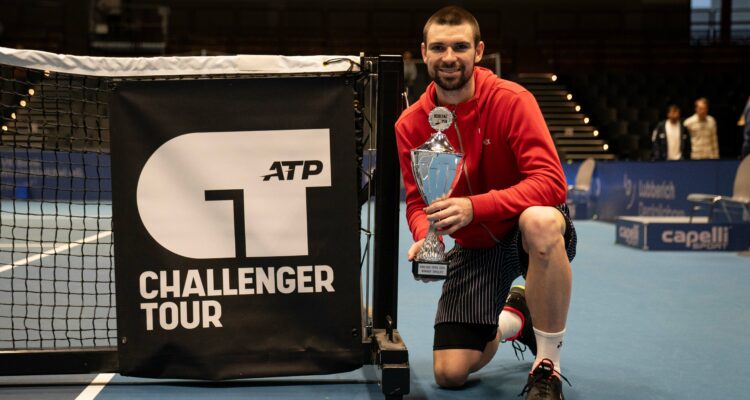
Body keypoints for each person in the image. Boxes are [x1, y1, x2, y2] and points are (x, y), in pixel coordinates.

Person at [394, 6, 576, 399]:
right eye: (439, 47)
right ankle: (516, 316)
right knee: (450, 372)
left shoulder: (512, 100)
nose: (449, 57)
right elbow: (415, 200)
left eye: (460, 46)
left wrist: (476, 207)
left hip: (527, 231)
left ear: (478, 51)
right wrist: (430, 239)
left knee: (540, 221)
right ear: (423, 52)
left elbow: (552, 183)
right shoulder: (410, 124)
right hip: (476, 247)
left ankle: (547, 367)